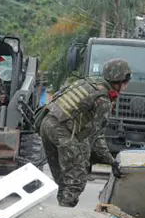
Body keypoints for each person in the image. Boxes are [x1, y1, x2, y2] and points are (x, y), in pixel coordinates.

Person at [35, 58, 132, 207]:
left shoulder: (87, 82)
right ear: (119, 81)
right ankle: (65, 216)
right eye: (125, 83)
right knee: (76, 180)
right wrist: (112, 162)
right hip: (62, 131)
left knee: (63, 179)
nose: (125, 87)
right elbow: (97, 137)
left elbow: (58, 97)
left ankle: (59, 214)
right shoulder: (103, 99)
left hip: (46, 123)